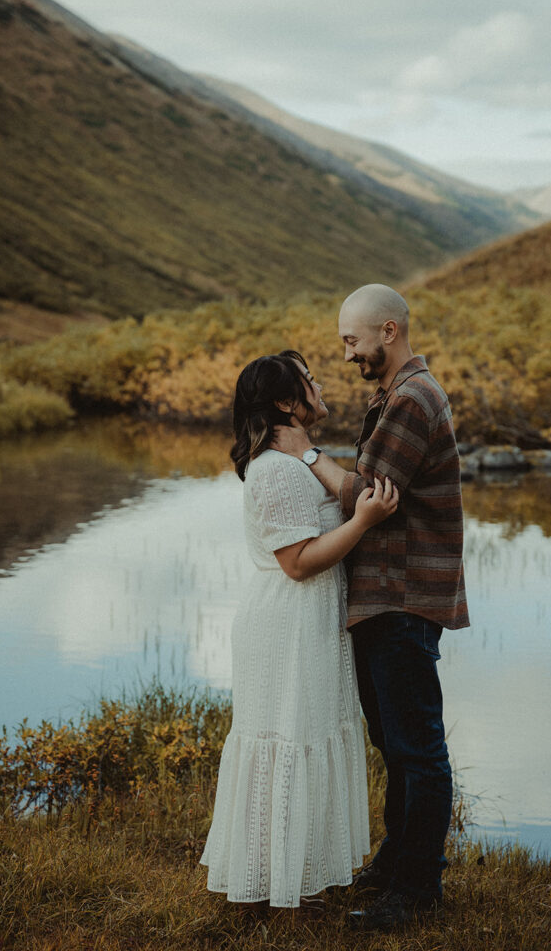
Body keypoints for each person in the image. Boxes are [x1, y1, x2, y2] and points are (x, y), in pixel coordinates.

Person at [272, 285, 470, 932]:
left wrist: (303, 453)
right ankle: (395, 866)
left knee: (416, 749)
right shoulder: (396, 395)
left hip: (402, 597)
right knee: (396, 742)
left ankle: (414, 892)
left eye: (351, 341)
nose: (348, 354)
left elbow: (368, 492)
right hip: (385, 597)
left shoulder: (413, 398)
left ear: (388, 331)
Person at [199, 351, 399, 911]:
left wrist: (316, 460)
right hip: (287, 623)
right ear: (287, 401)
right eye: (308, 380)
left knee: (306, 735)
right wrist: (362, 521)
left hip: (308, 621)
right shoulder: (276, 470)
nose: (319, 383)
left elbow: (335, 494)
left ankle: (300, 875)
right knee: (288, 740)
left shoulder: (293, 461)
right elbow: (299, 561)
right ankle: (272, 884)